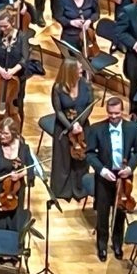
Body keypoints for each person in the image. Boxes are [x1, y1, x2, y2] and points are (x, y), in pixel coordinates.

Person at [86, 97, 137, 261]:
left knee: (120, 211)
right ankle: (102, 245)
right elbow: (89, 154)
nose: (114, 117)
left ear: (122, 111)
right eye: (110, 113)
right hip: (105, 175)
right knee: (103, 213)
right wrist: (102, 170)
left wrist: (130, 168)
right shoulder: (96, 129)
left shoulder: (133, 129)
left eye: (117, 113)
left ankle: (117, 242)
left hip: (124, 177)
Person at [50, 57, 91, 201]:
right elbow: (58, 111)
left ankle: (80, 188)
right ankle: (63, 190)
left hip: (82, 127)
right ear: (70, 72)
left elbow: (89, 105)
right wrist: (70, 126)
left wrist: (80, 123)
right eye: (79, 70)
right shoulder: (58, 88)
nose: (82, 72)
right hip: (63, 127)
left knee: (80, 158)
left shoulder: (86, 84)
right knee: (63, 159)